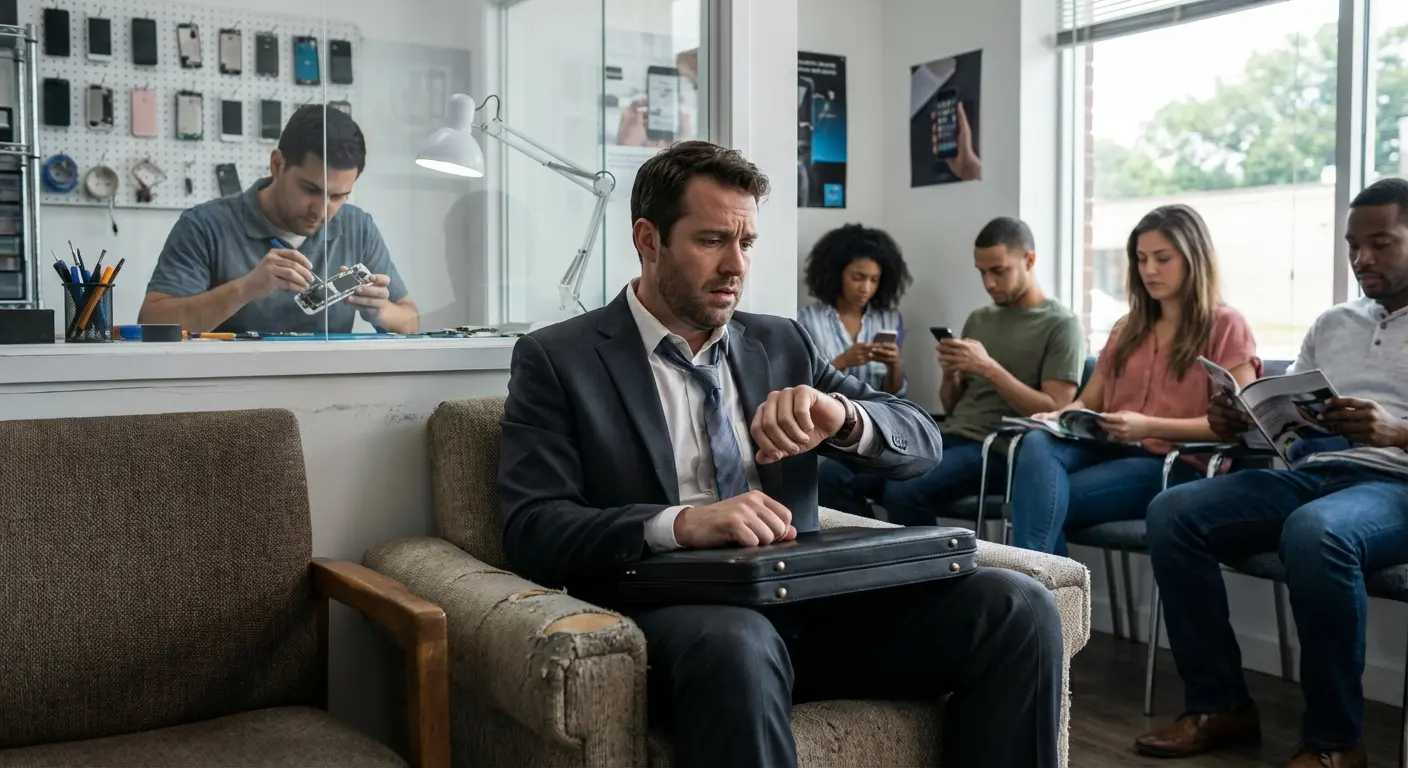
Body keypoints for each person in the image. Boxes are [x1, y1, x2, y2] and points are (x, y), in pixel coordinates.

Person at [498, 140, 1064, 768]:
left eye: (747, 243)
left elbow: (921, 442)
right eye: (712, 240)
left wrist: (843, 418)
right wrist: (681, 524)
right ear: (648, 239)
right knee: (739, 644)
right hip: (682, 617)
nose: (735, 265)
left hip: (814, 607)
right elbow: (533, 527)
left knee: (1018, 605)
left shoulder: (781, 342)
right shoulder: (560, 359)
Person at [1135, 178, 1408, 768]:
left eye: (1381, 243)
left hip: (1395, 486)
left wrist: (1397, 431)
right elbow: (1285, 422)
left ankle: (1336, 744)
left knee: (1316, 531)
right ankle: (1220, 706)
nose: (1362, 258)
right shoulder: (1334, 322)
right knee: (1173, 512)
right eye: (1352, 245)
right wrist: (1237, 421)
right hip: (1315, 471)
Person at [1007, 204, 1258, 555]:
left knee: (1038, 502)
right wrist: (1059, 416)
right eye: (1141, 259)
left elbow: (1237, 425)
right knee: (1037, 444)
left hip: (1175, 466)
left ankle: (1038, 590)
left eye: (1162, 258)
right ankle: (1046, 589)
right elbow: (1088, 401)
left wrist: (1148, 426)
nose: (1149, 270)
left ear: (1194, 259)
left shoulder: (1226, 325)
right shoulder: (1127, 328)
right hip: (1110, 451)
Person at [817, 217, 1085, 525]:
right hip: (951, 435)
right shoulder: (980, 319)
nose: (988, 283)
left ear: (1030, 260)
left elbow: (1055, 412)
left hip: (1000, 449)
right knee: (833, 475)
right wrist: (951, 373)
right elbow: (953, 406)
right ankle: (871, 552)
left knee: (904, 489)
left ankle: (925, 559)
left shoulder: (1062, 324)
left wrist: (989, 368)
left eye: (998, 271)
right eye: (982, 272)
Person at [139, 105, 418, 334]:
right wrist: (246, 288)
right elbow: (152, 324)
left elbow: (410, 321)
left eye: (338, 196)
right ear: (277, 165)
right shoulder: (204, 225)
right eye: (311, 190)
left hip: (327, 382)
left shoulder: (358, 227)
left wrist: (380, 311)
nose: (322, 211)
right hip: (231, 384)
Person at [797, 223, 913, 397]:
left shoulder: (890, 319)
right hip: (826, 411)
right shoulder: (807, 320)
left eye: (874, 280)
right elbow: (801, 387)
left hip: (876, 412)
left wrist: (894, 365)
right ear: (837, 275)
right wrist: (843, 362)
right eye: (857, 278)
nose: (866, 288)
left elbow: (895, 396)